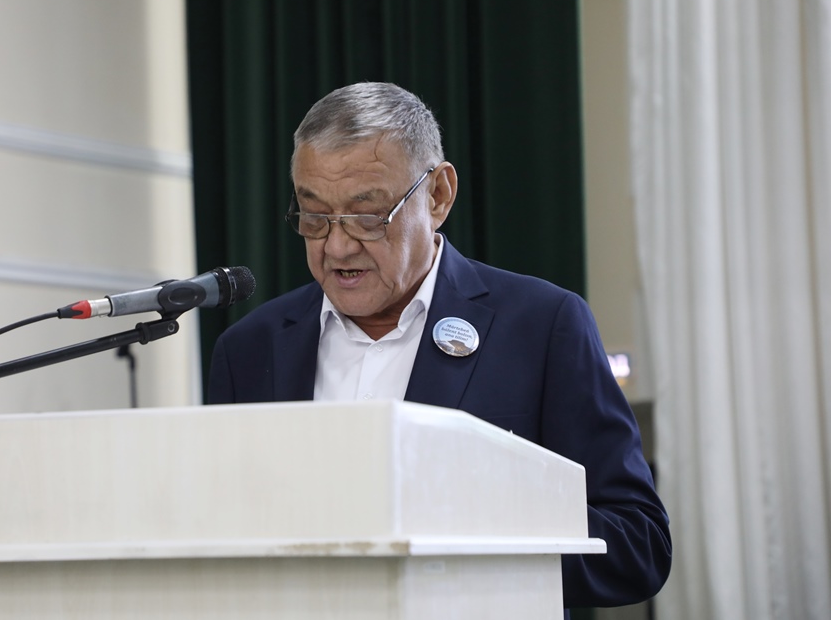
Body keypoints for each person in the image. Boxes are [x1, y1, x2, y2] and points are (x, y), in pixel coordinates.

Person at [207, 82, 672, 609]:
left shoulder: (542, 327)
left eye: (366, 216)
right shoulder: (250, 350)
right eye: (315, 217)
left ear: (438, 195)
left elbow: (638, 543)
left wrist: (472, 520)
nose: (336, 246)